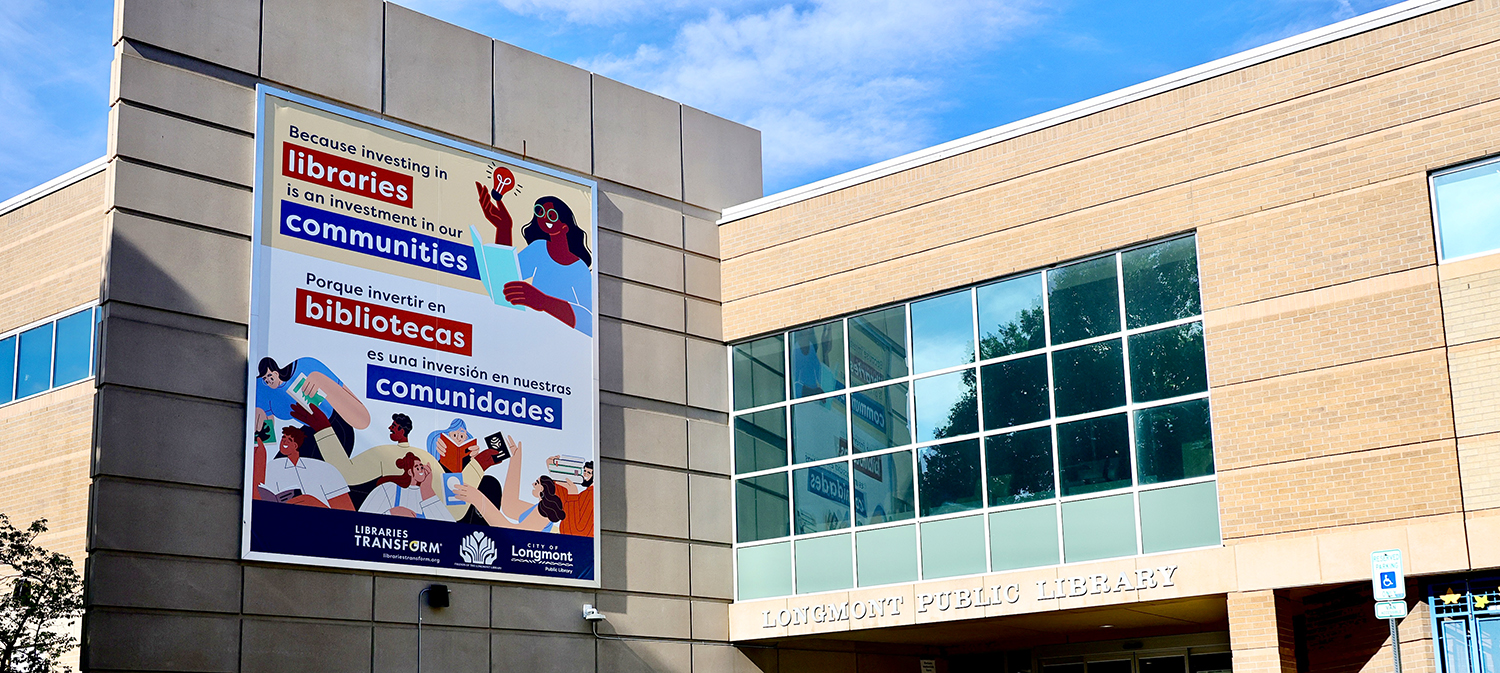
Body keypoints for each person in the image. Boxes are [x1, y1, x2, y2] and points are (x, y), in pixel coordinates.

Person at [477, 191, 593, 336]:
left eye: (551, 215)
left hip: (564, 340)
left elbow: (589, 321)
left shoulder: (579, 269)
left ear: (565, 226)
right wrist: (504, 228)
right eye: (540, 211)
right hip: (533, 332)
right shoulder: (539, 249)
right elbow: (506, 280)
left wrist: (544, 302)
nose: (544, 217)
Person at [255, 357, 370, 457]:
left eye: (270, 376)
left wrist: (324, 382)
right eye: (265, 379)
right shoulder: (262, 386)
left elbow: (362, 419)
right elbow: (264, 434)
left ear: (276, 372)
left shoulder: (307, 366)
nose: (268, 381)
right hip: (310, 430)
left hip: (337, 427)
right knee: (280, 467)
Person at [453, 435, 566, 532]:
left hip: (530, 552)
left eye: (536, 483)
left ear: (542, 488)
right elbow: (509, 506)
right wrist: (515, 458)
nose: (532, 484)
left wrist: (478, 498)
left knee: (490, 485)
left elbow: (514, 530)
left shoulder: (546, 509)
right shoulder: (538, 507)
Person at [252, 425, 354, 510]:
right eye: (283, 438)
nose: (285, 441)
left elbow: (349, 516)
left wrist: (317, 506)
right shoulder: (272, 467)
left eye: (289, 439)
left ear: (296, 445)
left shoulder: (324, 469)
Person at [357, 452, 455, 521]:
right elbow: (359, 521)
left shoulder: (428, 495)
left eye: (422, 467)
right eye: (417, 468)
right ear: (409, 472)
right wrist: (391, 513)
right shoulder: (390, 489)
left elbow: (450, 529)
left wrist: (427, 488)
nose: (421, 470)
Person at [551, 458, 594, 537]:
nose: (585, 474)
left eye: (589, 472)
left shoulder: (591, 495)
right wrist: (554, 471)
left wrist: (572, 493)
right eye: (584, 471)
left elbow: (580, 529)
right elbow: (566, 503)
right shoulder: (586, 493)